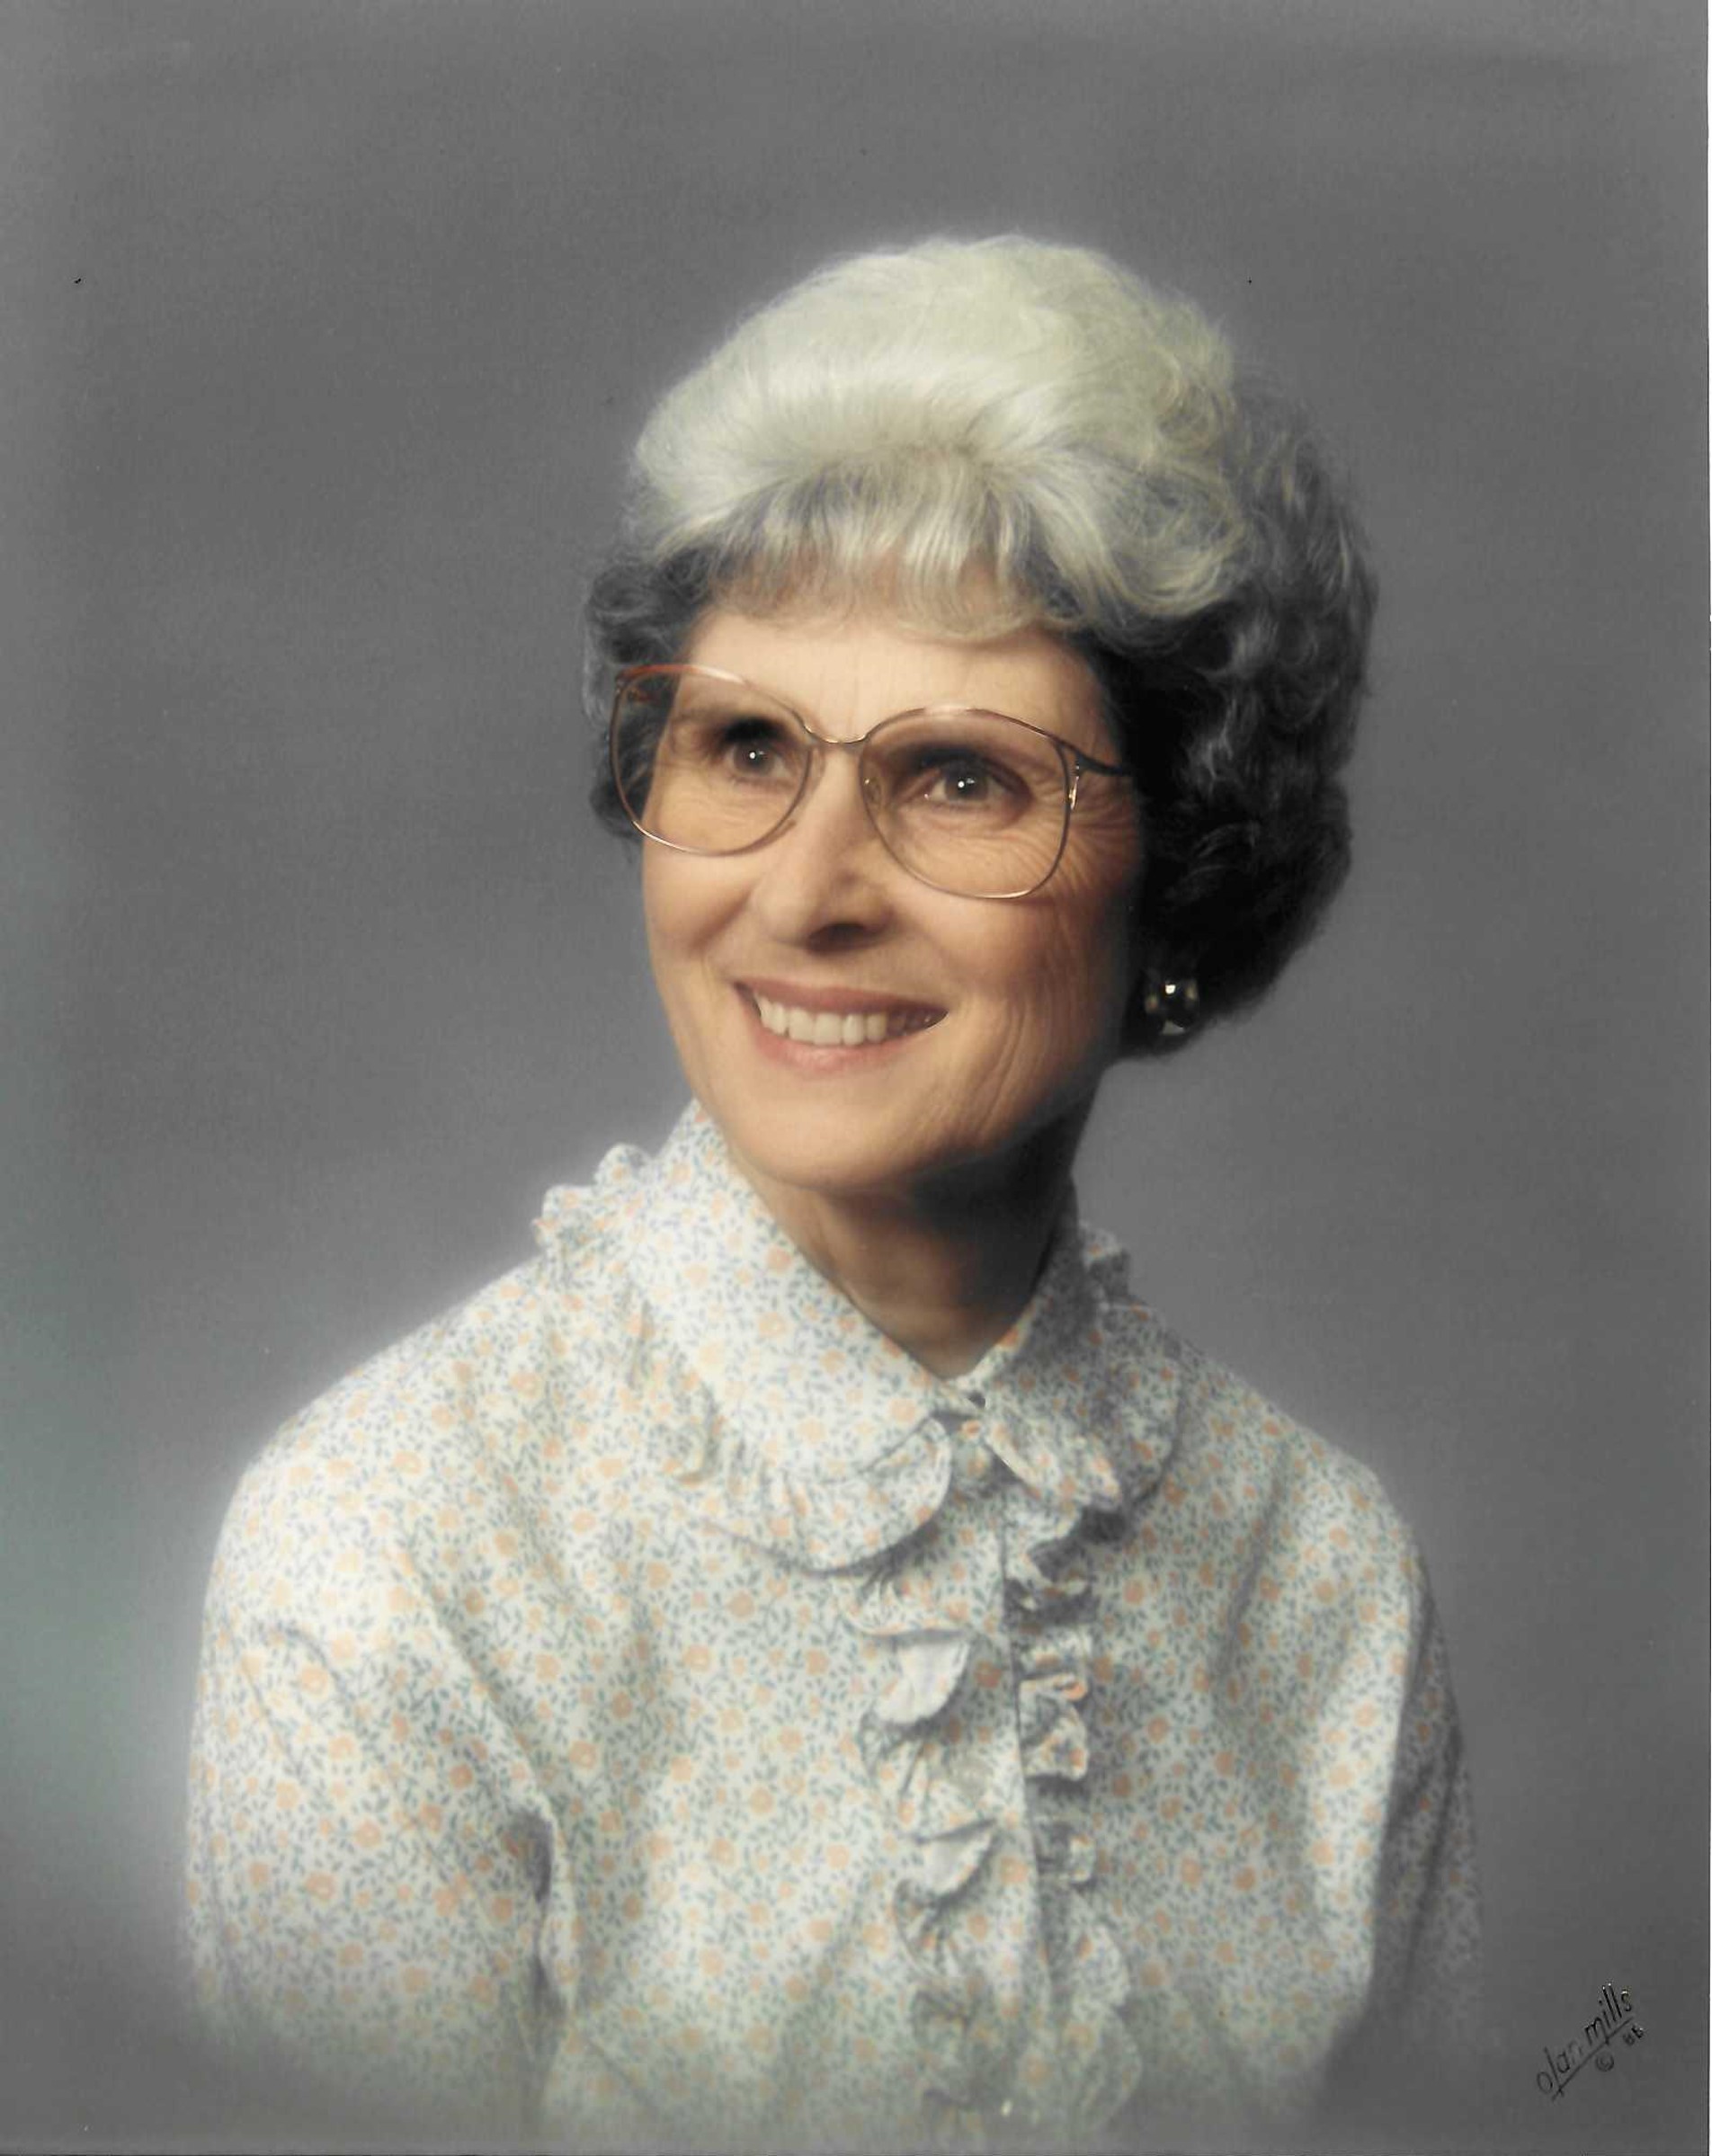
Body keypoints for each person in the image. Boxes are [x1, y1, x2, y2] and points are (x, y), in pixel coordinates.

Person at [183, 236, 1481, 2150]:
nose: (804, 892)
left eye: (958, 778)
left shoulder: (1325, 1580)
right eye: (745, 748)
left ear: (1187, 869)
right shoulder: (398, 1550)